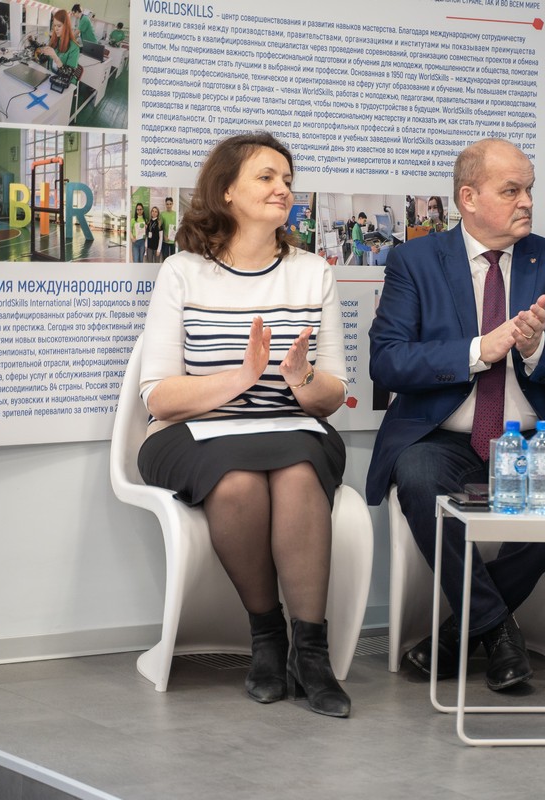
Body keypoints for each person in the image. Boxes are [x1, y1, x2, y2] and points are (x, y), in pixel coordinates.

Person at [367, 138, 545, 691]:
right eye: (511, 190)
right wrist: (480, 349)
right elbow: (388, 362)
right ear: (468, 198)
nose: (527, 202)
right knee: (418, 477)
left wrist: (538, 348)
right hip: (442, 438)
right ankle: (498, 631)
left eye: (529, 190)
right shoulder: (415, 261)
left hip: (534, 440)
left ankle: (458, 636)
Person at [137, 132, 351, 718]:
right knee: (235, 483)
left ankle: (312, 653)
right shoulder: (182, 272)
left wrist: (301, 377)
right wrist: (242, 377)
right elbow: (159, 397)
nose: (283, 188)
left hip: (293, 429)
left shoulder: (313, 272)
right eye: (266, 177)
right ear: (227, 190)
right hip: (192, 434)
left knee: (299, 475)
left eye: (288, 180)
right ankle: (267, 636)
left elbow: (333, 395)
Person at [31, 9, 79, 75]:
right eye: (54, 25)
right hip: (53, 75)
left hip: (65, 80)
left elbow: (68, 75)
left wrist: (55, 58)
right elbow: (43, 59)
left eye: (59, 26)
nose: (56, 29)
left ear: (66, 26)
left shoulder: (74, 47)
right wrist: (36, 49)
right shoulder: (55, 41)